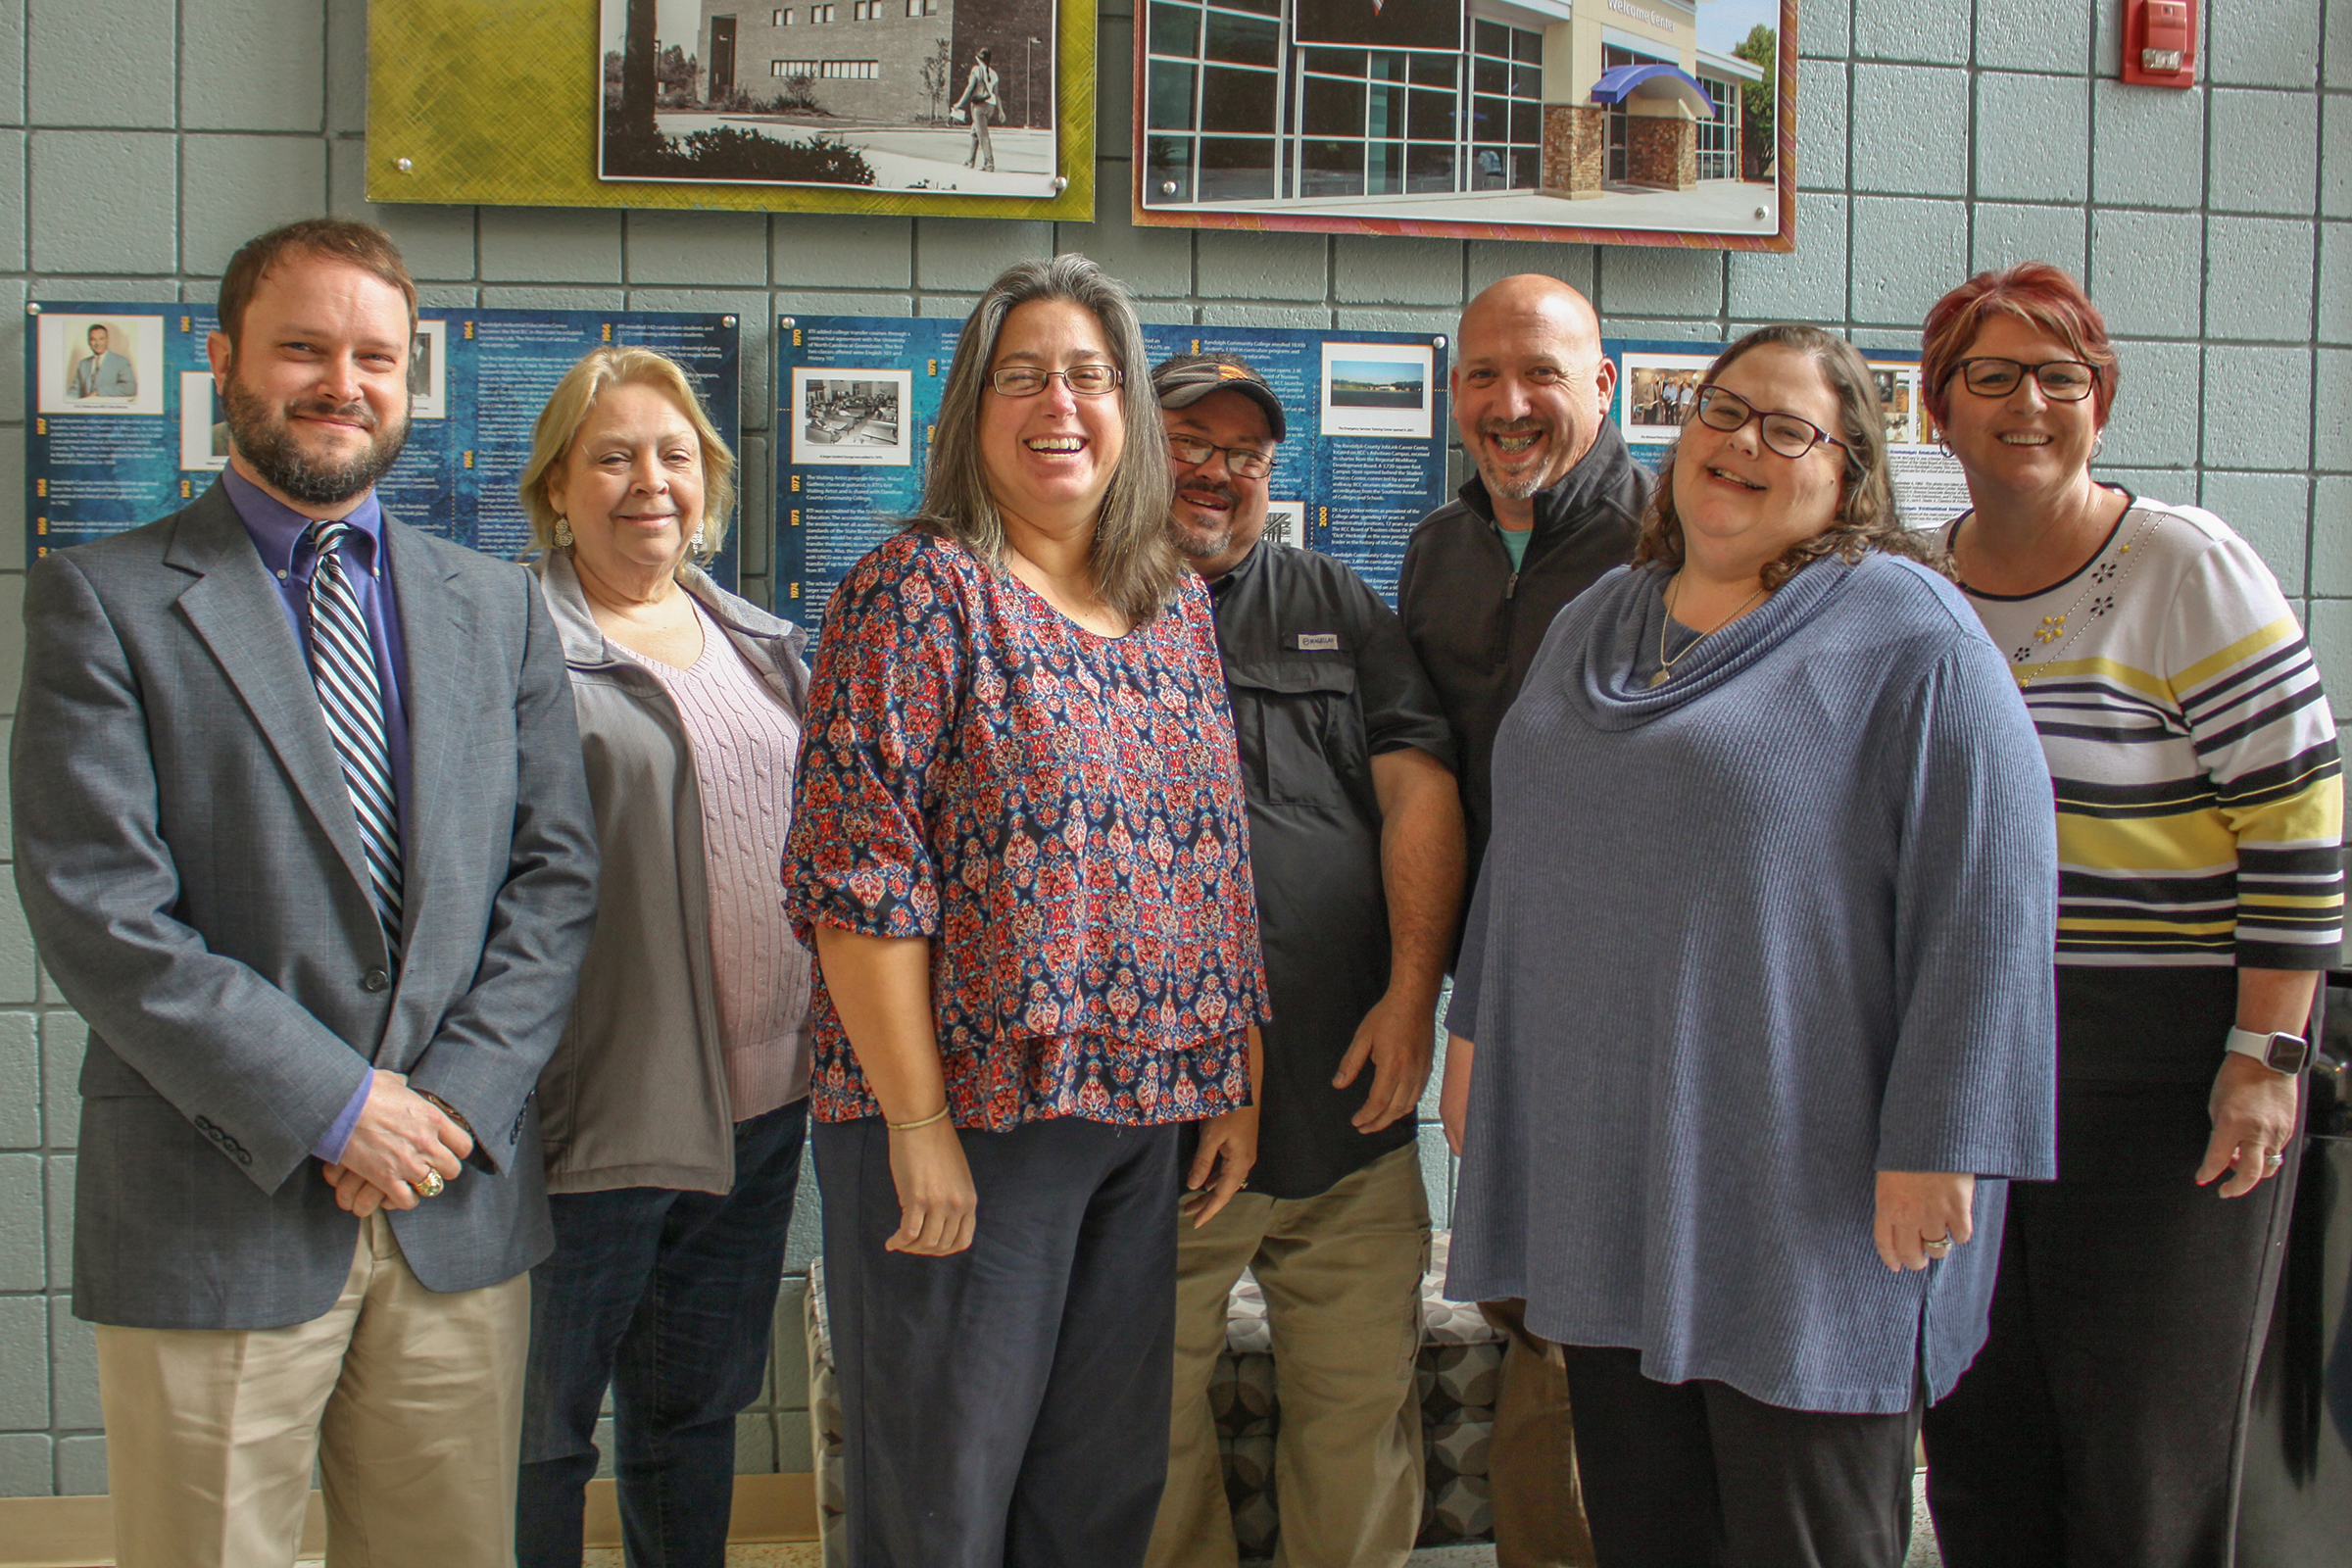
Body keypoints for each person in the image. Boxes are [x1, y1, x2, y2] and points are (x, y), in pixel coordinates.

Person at [10, 219, 600, 1568]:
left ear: (411, 380)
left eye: (375, 357)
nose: (342, 381)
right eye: (303, 349)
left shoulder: (494, 607)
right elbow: (104, 913)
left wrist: (440, 1107)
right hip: (221, 1204)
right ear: (223, 362)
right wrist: (334, 1107)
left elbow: (556, 882)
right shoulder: (104, 602)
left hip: (452, 1202)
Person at [1440, 323, 2060, 1568]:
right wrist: (1475, 1039)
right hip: (1615, 1164)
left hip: (1809, 1181)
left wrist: (1946, 1138)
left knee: (1799, 1530)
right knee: (1645, 1520)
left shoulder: (1909, 634)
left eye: (1791, 428)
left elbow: (1991, 897)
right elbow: (1529, 841)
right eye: (1724, 411)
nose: (1742, 444)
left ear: (1848, 474)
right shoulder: (1601, 620)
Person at [784, 254, 1269, 1567]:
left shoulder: (1170, 608)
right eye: (1024, 374)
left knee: (1097, 1493)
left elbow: (1211, 861)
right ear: (970, 409)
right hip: (970, 1122)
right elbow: (858, 881)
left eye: (1091, 375)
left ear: (1128, 412)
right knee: (945, 1497)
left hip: (1137, 1114)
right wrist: (918, 1122)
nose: (1061, 401)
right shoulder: (915, 593)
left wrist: (1227, 1070)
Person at [1915, 264, 2343, 1568]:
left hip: (2168, 1075)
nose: (2029, 402)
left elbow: (2299, 815)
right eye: (1992, 375)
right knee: (1983, 1437)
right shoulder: (1918, 586)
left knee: (2142, 1456)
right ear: (1939, 409)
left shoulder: (2182, 564)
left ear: (2101, 404)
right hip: (1976, 1067)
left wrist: (2265, 1057)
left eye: (2062, 376)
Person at [1142, 353, 1465, 1568]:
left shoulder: (1333, 597)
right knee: (1146, 1419)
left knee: (1357, 1407)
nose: (1218, 472)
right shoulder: (1082, 604)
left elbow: (1419, 785)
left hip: (1348, 1106)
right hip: (1162, 1127)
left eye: (1246, 455)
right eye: (1192, 442)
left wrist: (1410, 994)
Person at [512, 348, 815, 1568]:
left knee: (694, 1409)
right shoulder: (517, 645)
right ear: (557, 486)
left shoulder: (762, 644)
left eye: (675, 455)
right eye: (614, 456)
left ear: (711, 481)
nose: (650, 482)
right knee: (543, 1425)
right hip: (599, 1107)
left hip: (762, 1101)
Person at [1395, 270, 1649, 1568]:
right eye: (1483, 375)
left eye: (1543, 372)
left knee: (1615, 1301)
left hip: (1638, 1003)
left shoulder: (1667, 546)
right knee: (1527, 1291)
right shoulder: (1435, 552)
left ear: (1603, 385)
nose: (1511, 402)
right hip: (1498, 996)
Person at [954, 46, 1000, 172]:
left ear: (978, 58)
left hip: (979, 106)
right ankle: (970, 160)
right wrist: (1000, 110)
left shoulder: (976, 70)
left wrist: (959, 103)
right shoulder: (993, 73)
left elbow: (969, 88)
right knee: (975, 132)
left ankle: (989, 164)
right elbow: (996, 94)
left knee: (982, 135)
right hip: (991, 106)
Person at [70, 321, 136, 398]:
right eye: (93, 339)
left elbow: (130, 388)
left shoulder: (121, 361)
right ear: (89, 342)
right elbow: (74, 391)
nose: (97, 343)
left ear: (107, 340)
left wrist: (99, 392)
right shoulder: (83, 364)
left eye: (101, 339)